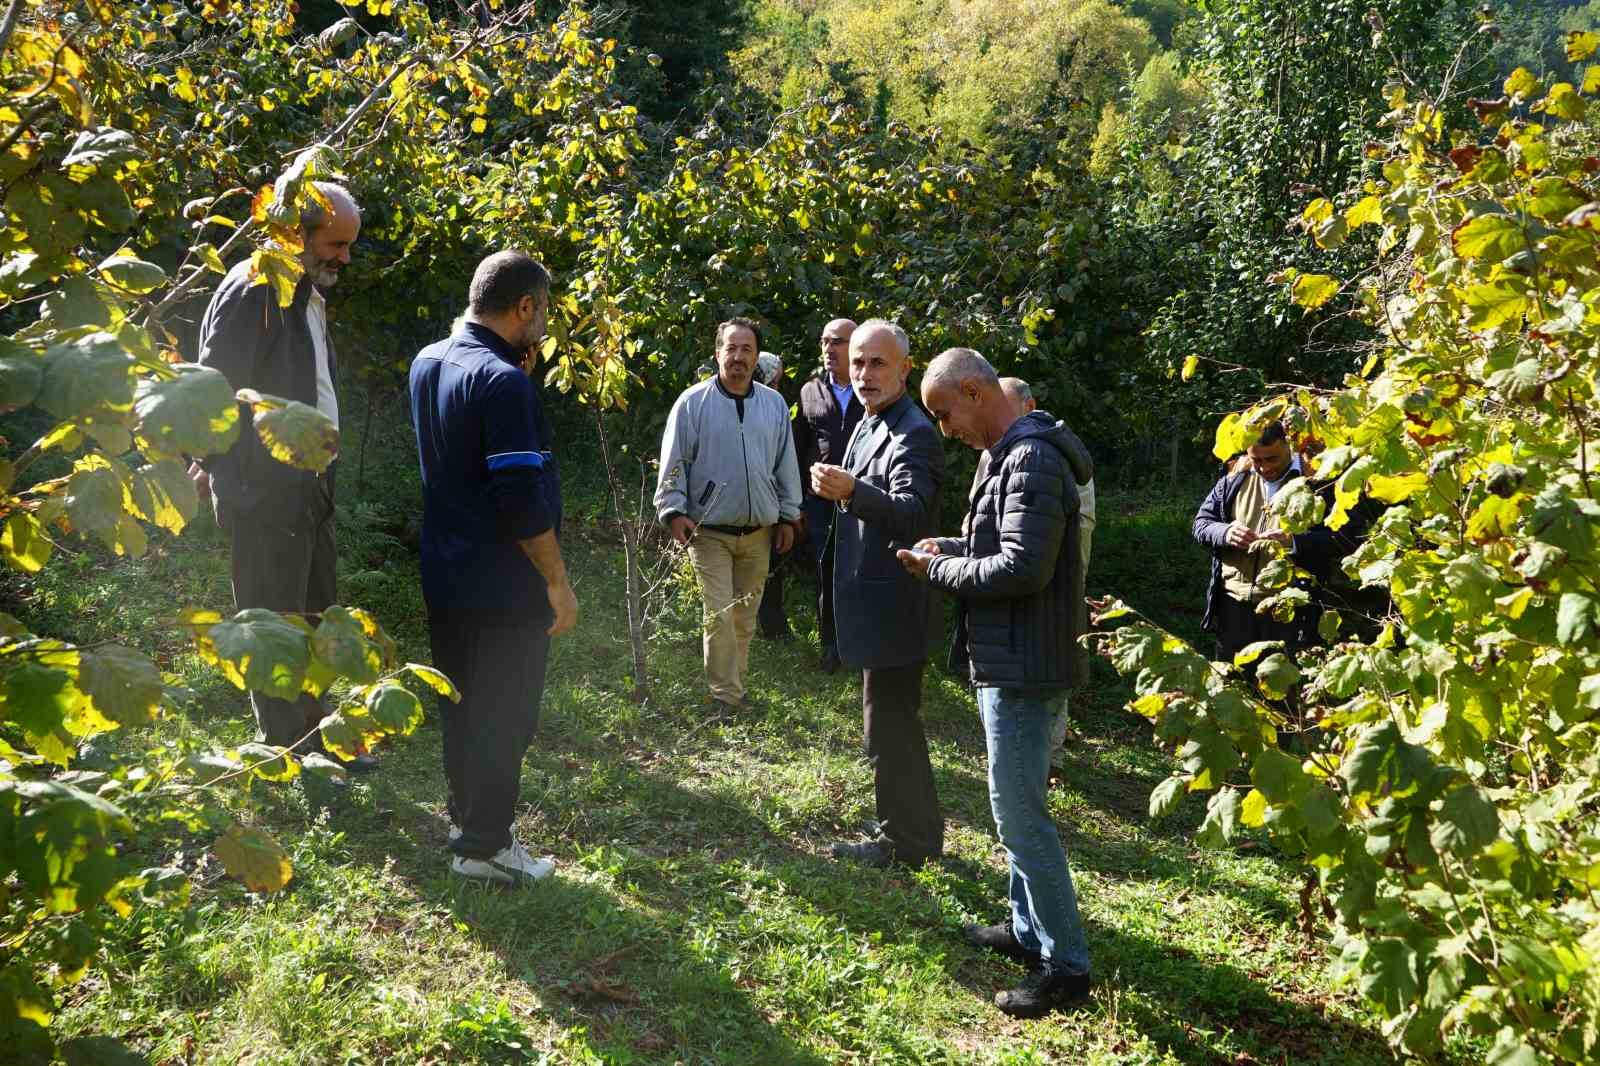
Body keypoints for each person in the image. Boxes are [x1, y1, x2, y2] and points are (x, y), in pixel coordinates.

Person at [897, 347, 1094, 1018]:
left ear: (977, 392)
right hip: (1006, 658)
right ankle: (1025, 929)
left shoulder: (1033, 459)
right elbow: (993, 549)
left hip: (1026, 665)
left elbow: (1020, 571)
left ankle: (1065, 965)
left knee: (1021, 817)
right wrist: (947, 549)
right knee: (1012, 811)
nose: (944, 429)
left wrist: (939, 574)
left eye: (944, 413)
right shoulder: (1006, 456)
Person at [408, 251, 578, 886]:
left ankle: (466, 822)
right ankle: (486, 846)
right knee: (505, 713)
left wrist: (517, 372)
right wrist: (557, 582)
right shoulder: (503, 382)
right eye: (544, 311)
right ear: (525, 306)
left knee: (462, 703)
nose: (545, 325)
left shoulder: (429, 361)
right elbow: (519, 499)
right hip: (504, 583)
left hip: (445, 570)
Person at [195, 181, 376, 772]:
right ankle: (286, 751)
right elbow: (213, 388)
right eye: (335, 243)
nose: (344, 257)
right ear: (294, 234)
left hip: (309, 484)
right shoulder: (254, 290)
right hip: (264, 486)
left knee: (317, 613)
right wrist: (218, 467)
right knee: (273, 620)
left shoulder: (301, 290)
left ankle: (315, 737)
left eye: (348, 244)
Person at [812, 321, 946, 869]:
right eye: (858, 363)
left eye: (877, 364)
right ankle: (910, 829)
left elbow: (913, 514)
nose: (864, 375)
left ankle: (906, 844)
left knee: (891, 727)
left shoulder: (913, 431)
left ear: (906, 369)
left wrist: (853, 492)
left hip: (897, 603)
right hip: (873, 599)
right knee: (887, 725)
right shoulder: (871, 420)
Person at [655, 318, 802, 712]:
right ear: (718, 352)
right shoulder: (692, 403)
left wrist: (788, 516)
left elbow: (785, 463)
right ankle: (727, 697)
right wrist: (672, 511)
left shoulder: (772, 405)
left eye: (746, 350)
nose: (738, 357)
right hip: (708, 531)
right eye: (731, 348)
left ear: (757, 358)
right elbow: (673, 463)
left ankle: (733, 687)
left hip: (759, 532)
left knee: (744, 618)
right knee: (718, 615)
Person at [1192, 419, 1363, 662]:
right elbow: (1201, 524)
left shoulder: (1321, 478)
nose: (1263, 468)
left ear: (1290, 445)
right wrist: (1225, 533)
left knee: (1282, 694)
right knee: (1232, 690)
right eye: (1256, 460)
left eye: (1271, 459)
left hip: (1291, 611)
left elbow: (1348, 537)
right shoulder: (1236, 475)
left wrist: (1294, 542)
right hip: (1233, 608)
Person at [1000, 377, 1096, 777]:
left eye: (1006, 409)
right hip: (1005, 585)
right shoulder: (999, 447)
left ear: (1029, 404)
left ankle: (1051, 757)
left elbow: (1082, 526)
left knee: (1050, 659)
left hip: (1050, 582)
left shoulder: (1051, 451)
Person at [793, 318, 863, 672]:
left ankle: (859, 644)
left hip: (863, 501)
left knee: (860, 572)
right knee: (827, 571)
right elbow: (798, 448)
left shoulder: (872, 390)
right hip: (820, 502)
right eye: (824, 342)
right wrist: (797, 503)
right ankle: (830, 647)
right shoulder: (810, 391)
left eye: (837, 341)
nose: (828, 349)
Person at [754, 352, 793, 642]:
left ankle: (772, 626)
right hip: (752, 507)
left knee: (772, 570)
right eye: (774, 382)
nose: (777, 389)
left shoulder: (774, 409)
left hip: (771, 505)